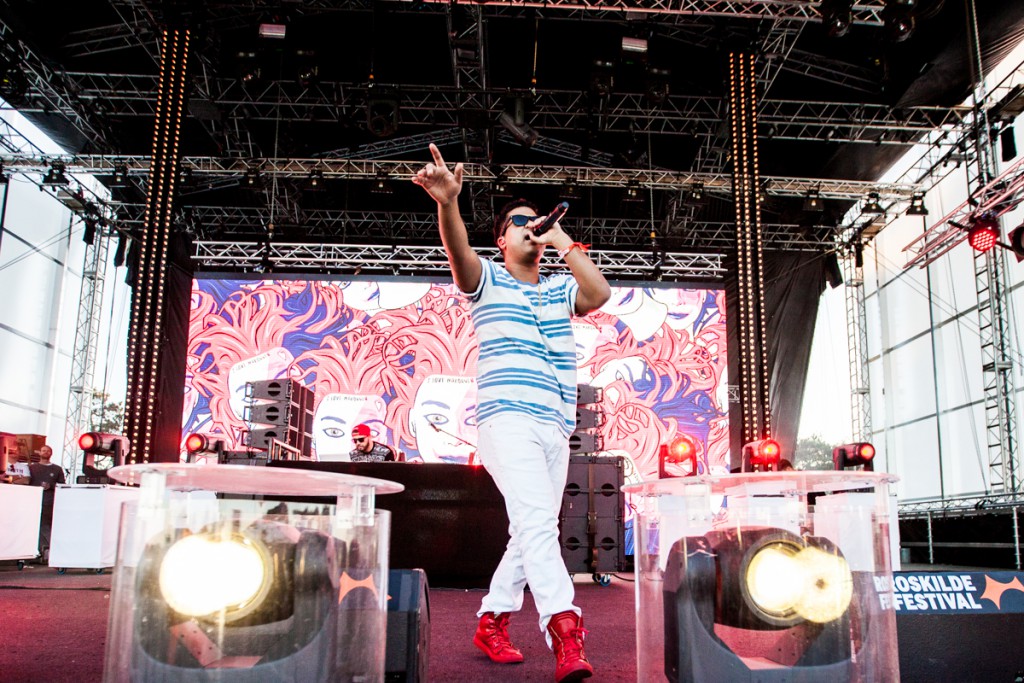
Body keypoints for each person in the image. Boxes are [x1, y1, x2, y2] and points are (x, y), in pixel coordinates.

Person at [413, 143, 611, 682]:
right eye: (519, 223)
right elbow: (458, 256)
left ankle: (493, 619)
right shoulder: (488, 281)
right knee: (536, 526)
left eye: (535, 222)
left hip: (555, 425)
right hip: (506, 421)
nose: (530, 227)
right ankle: (565, 632)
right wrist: (448, 204)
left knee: (533, 527)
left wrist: (563, 240)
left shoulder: (558, 290)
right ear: (502, 241)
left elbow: (600, 292)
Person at [13, 445, 65, 560]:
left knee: (44, 524)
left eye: (47, 451)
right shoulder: (31, 468)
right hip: (32, 501)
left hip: (49, 501)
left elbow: (62, 485)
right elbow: (24, 480)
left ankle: (50, 549)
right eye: (43, 451)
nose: (45, 453)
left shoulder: (57, 469)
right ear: (39, 453)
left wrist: (50, 486)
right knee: (33, 525)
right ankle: (40, 550)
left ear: (51, 453)